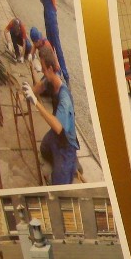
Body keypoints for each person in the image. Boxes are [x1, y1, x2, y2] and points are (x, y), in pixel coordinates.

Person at [22, 45, 79, 185]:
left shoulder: (64, 97)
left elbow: (58, 126)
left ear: (51, 69)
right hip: (55, 136)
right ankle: (63, 163)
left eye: (42, 66)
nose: (40, 69)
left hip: (66, 142)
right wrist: (27, 93)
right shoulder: (50, 80)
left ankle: (71, 162)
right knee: (44, 149)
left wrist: (35, 102)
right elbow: (40, 86)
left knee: (59, 183)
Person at [36, 0, 69, 83]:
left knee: (57, 44)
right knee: (49, 46)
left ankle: (65, 74)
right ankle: (54, 72)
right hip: (46, 13)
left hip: (51, 14)